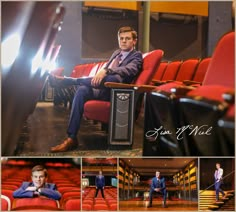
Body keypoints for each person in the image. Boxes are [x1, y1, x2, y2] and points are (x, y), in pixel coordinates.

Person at [50, 26, 143, 152]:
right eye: (121, 38)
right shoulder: (116, 53)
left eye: (127, 38)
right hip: (102, 88)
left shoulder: (136, 56)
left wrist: (106, 70)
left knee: (113, 78)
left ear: (134, 41)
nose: (124, 41)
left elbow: (129, 70)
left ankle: (69, 81)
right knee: (82, 90)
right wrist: (103, 71)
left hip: (116, 92)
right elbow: (104, 71)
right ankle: (71, 138)